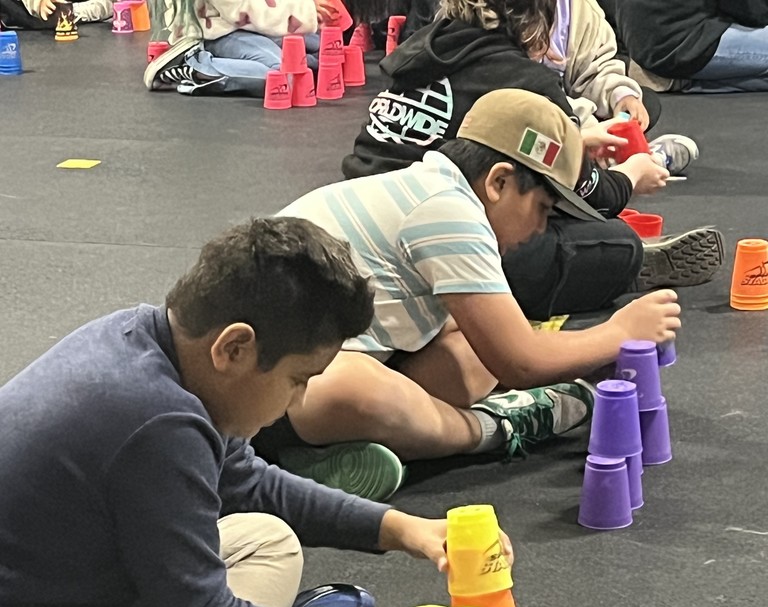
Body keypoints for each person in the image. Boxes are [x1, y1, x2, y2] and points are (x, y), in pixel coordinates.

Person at [0, 216, 508, 607]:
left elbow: (252, 485)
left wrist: (403, 528)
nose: (297, 403)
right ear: (234, 348)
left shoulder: (153, 344)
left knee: (268, 540)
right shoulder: (154, 420)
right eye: (297, 381)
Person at [253, 89, 681, 503]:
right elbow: (521, 361)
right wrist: (619, 332)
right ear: (498, 183)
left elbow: (496, 346)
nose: (540, 230)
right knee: (349, 387)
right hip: (266, 399)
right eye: (543, 210)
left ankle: (320, 457)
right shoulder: (447, 210)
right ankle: (493, 428)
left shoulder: (439, 190)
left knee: (474, 353)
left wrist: (575, 354)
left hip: (323, 371)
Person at [341, 0, 723, 325]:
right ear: (535, 16)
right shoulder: (522, 79)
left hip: (360, 228)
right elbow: (597, 197)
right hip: (434, 258)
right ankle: (623, 264)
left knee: (521, 193)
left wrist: (575, 141)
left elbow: (469, 138)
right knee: (614, 240)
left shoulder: (421, 52)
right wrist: (633, 172)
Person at [143, 0, 329, 95]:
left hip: (248, 28)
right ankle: (195, 66)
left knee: (322, 50)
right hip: (217, 34)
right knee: (279, 75)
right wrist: (306, 11)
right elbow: (242, 11)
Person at [611, 0, 768, 93]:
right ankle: (682, 79)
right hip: (684, 40)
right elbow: (754, 13)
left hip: (643, 41)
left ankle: (679, 81)